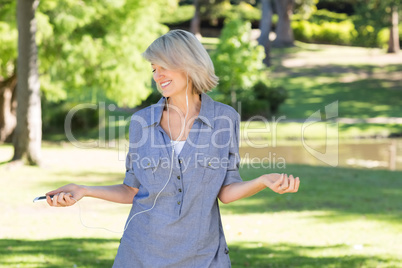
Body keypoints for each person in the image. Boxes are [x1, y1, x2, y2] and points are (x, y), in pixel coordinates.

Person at [46, 29, 300, 267]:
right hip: (140, 255)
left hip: (204, 257)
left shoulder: (225, 119)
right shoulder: (142, 122)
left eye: (164, 67)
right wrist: (84, 190)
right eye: (154, 69)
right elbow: (130, 190)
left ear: (189, 63)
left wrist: (263, 181)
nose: (157, 76)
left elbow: (225, 191)